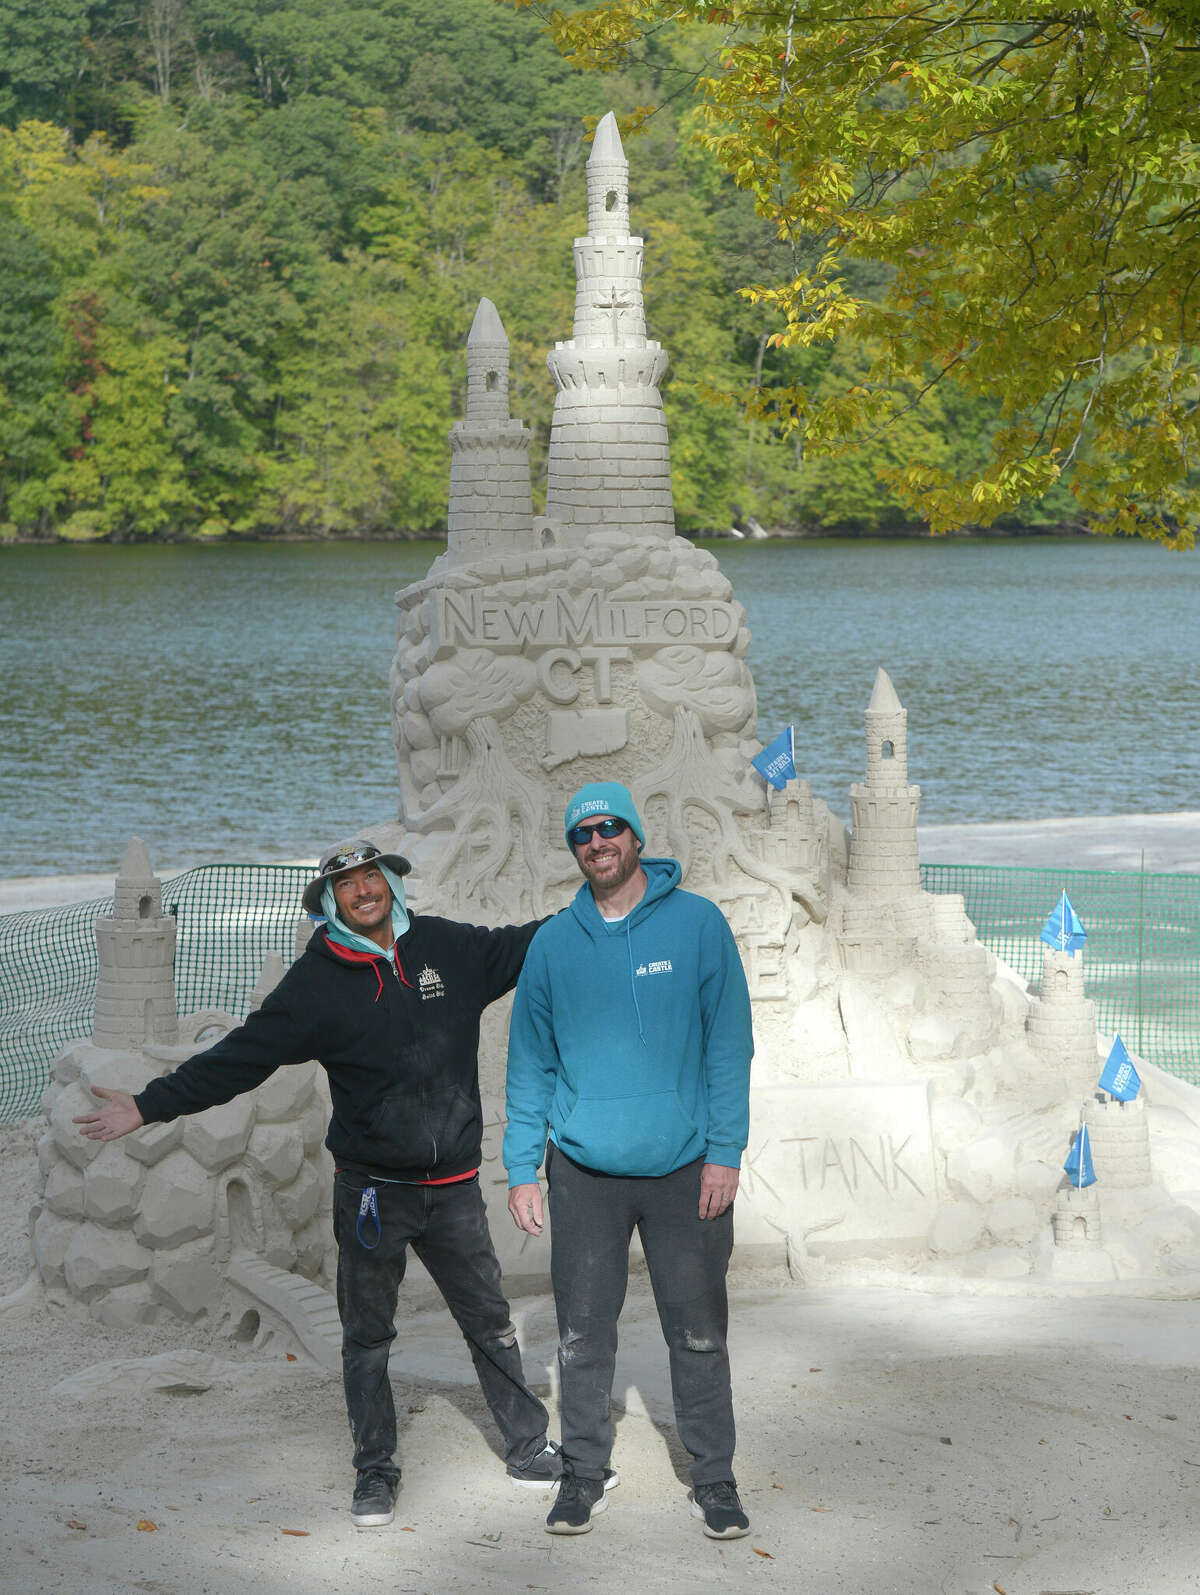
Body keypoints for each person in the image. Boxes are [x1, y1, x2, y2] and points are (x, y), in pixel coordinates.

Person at [76, 839, 560, 1528]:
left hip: (452, 1188)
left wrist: (611, 899)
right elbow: (236, 1060)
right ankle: (375, 1470)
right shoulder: (315, 983)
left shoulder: (450, 949)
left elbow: (534, 942)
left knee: (487, 1320)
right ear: (330, 901)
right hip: (371, 1193)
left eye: (372, 876)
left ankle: (527, 1446)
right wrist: (147, 1104)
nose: (363, 890)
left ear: (391, 880)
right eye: (347, 884)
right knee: (367, 1336)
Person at [503, 783, 754, 1539]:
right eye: (583, 834)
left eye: (611, 827)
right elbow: (528, 1065)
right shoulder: (552, 943)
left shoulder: (699, 924)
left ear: (637, 836)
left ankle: (713, 1478)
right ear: (575, 850)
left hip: (686, 1169)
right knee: (582, 1335)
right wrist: (521, 1166)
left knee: (699, 1332)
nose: (597, 841)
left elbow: (729, 1046)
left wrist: (725, 1152)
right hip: (584, 1172)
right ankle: (583, 1473)